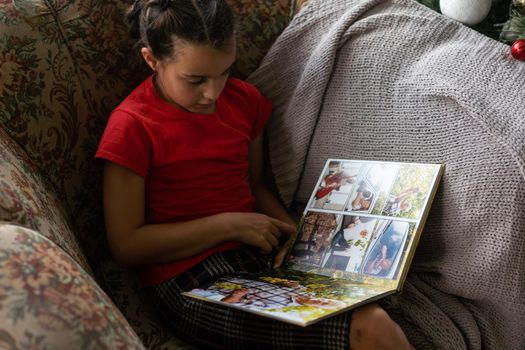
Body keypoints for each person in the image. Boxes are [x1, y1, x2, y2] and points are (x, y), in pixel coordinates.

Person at [96, 0, 414, 349]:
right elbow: (126, 245)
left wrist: (295, 239)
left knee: (372, 304)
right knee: (367, 327)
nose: (212, 93)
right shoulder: (131, 126)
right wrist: (231, 225)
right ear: (151, 60)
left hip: (256, 254)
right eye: (195, 79)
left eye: (224, 72)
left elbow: (256, 186)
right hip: (189, 280)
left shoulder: (244, 100)